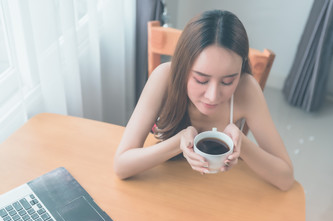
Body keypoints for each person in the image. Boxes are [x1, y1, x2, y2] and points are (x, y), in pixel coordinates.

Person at [114, 10, 294, 191]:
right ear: (183, 68)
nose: (212, 96)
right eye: (201, 80)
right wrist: (178, 143)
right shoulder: (164, 78)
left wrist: (242, 144)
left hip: (221, 192)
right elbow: (121, 166)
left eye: (227, 81)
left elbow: (285, 179)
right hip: (166, 188)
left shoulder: (246, 89)